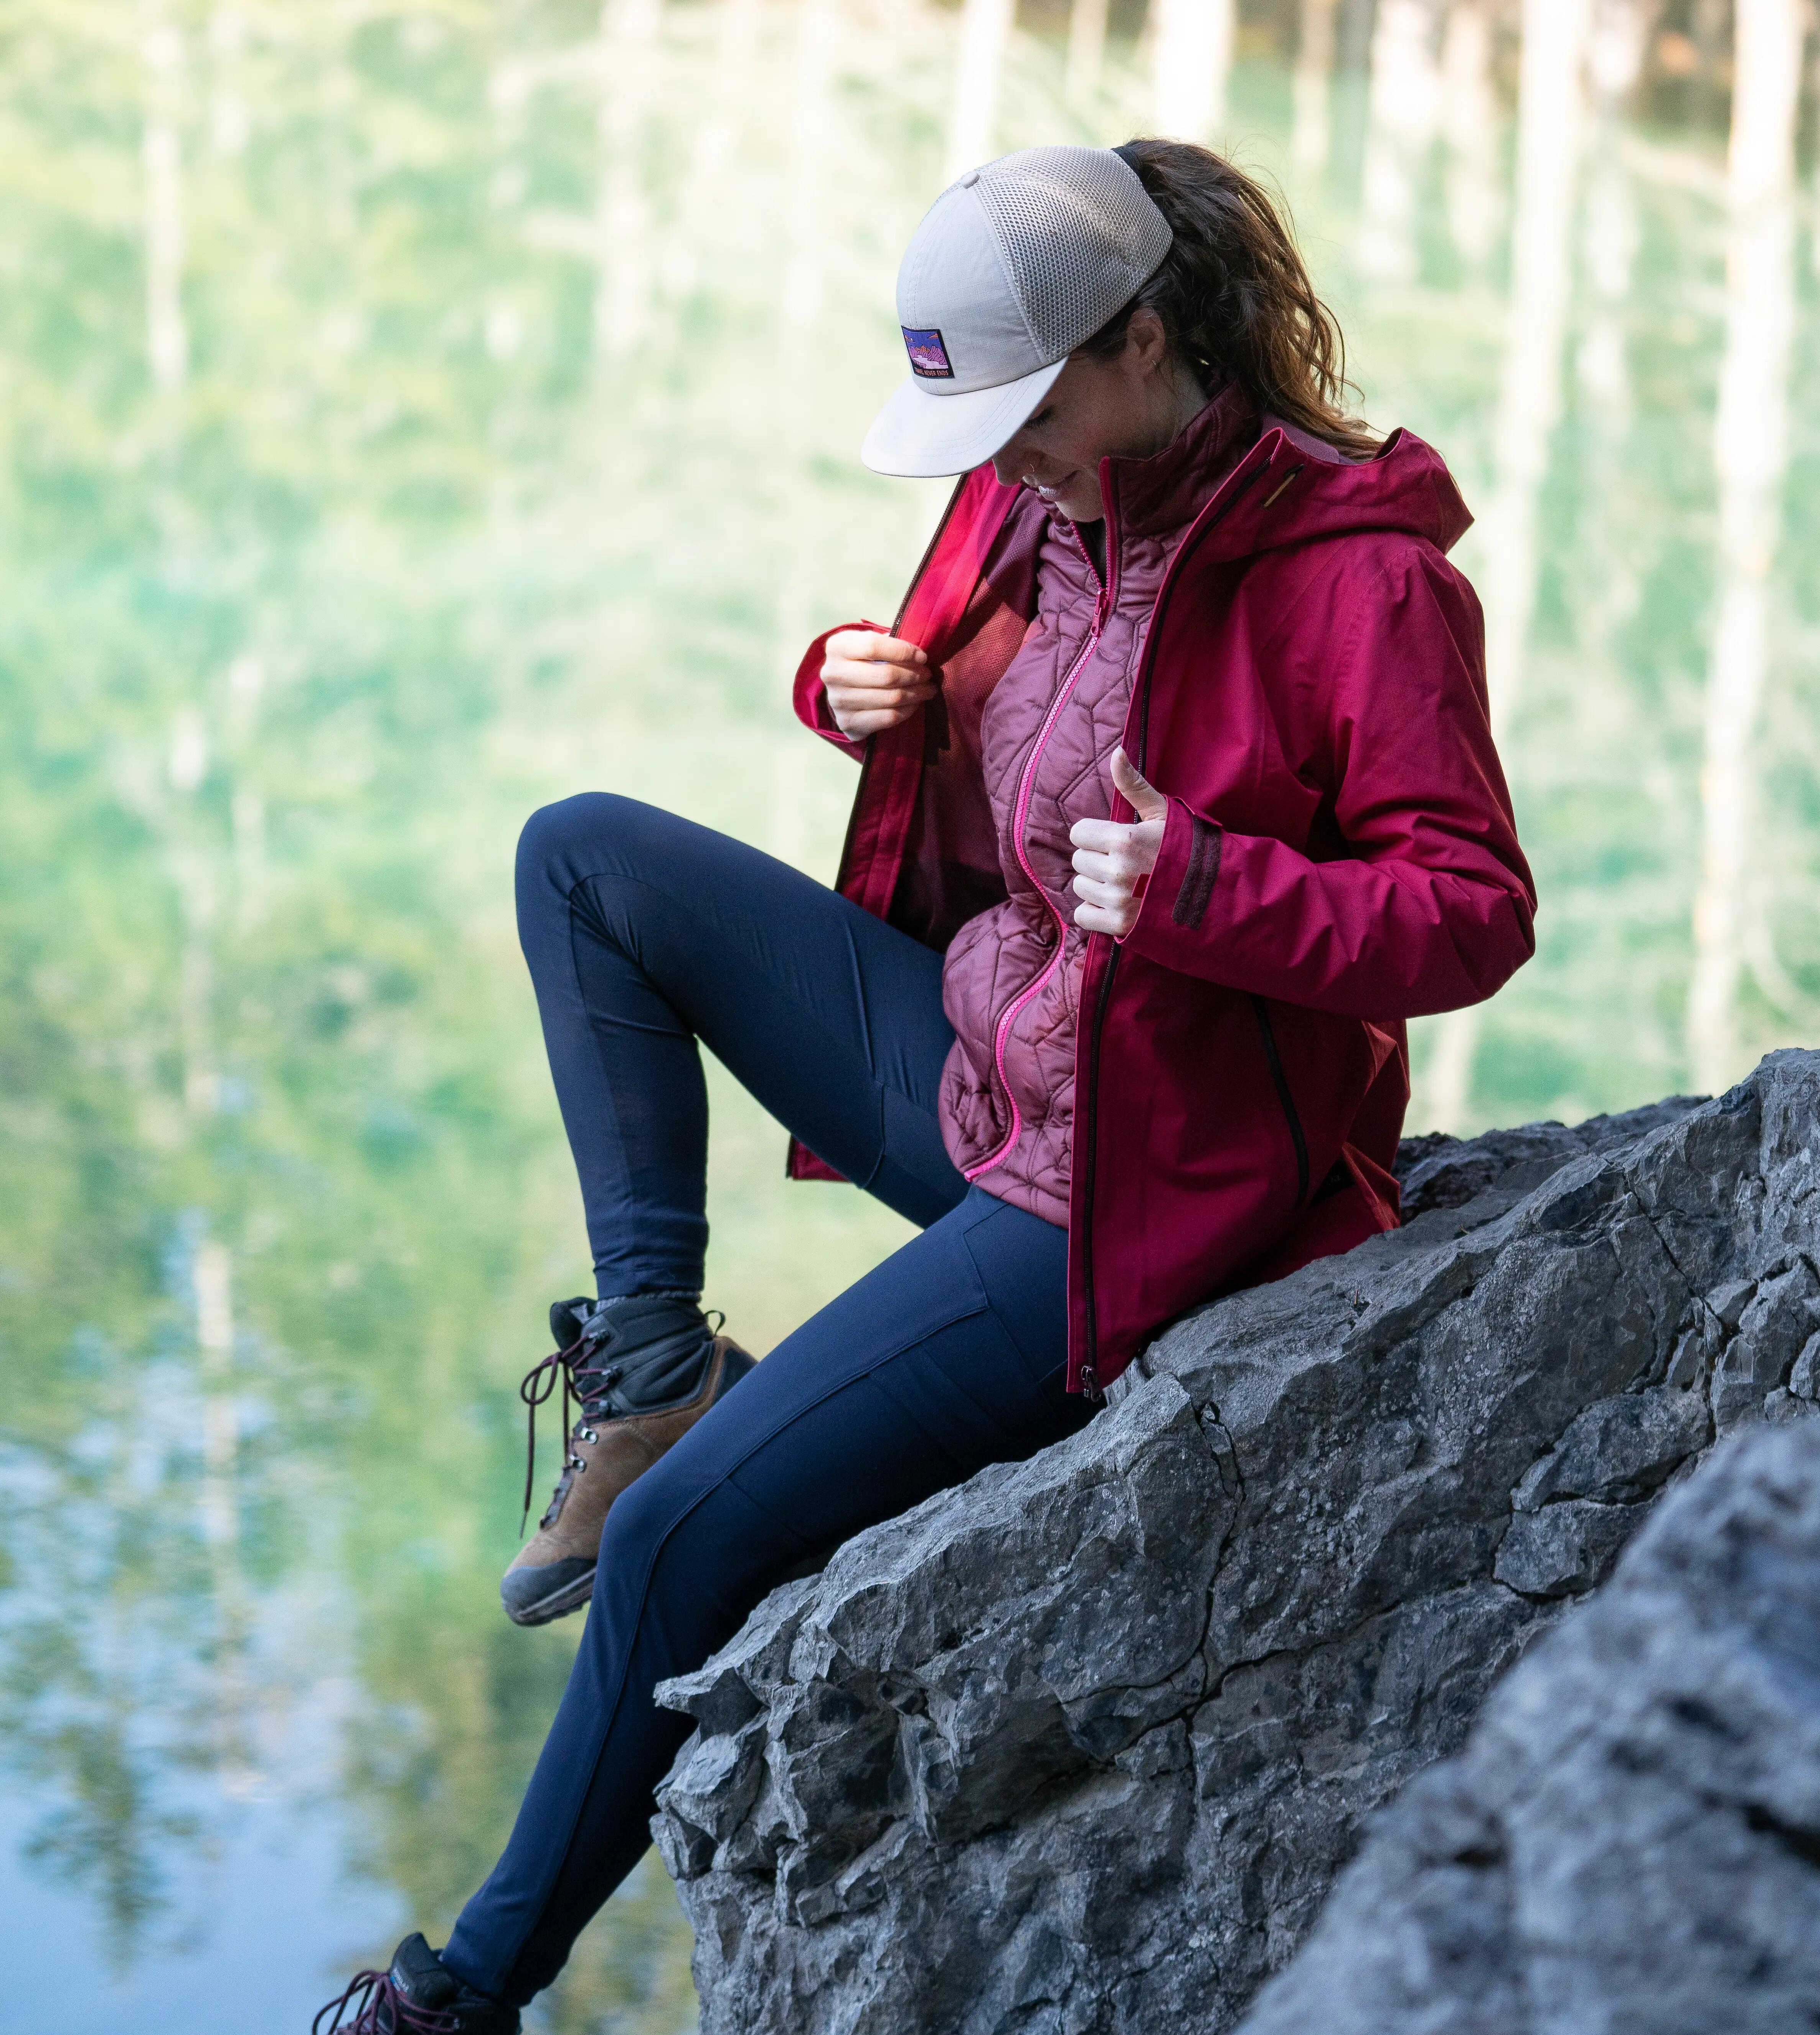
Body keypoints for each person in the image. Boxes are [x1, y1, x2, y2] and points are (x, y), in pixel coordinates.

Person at [313, 138, 1536, 2034]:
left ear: (1144, 340)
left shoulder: (1358, 585)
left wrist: (1214, 888)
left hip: (1142, 1205)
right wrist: (857, 691)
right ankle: (654, 1373)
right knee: (585, 857)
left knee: (675, 1546)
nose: (1003, 456)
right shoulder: (1030, 510)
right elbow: (992, 760)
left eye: (1031, 412)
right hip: (987, 1073)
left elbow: (1471, 912)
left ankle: (466, 1994)